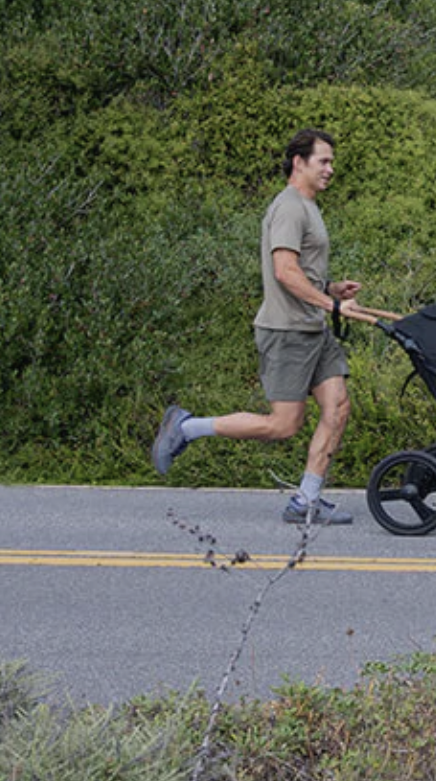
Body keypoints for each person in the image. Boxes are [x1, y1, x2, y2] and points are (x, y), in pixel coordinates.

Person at [152, 127, 375, 524]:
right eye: (323, 161)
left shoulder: (309, 206)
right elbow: (285, 272)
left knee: (338, 406)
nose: (331, 169)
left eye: (331, 162)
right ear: (299, 162)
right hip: (287, 331)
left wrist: (330, 288)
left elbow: (300, 273)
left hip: (313, 329)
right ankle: (187, 428)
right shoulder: (289, 207)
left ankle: (306, 501)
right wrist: (334, 305)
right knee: (283, 425)